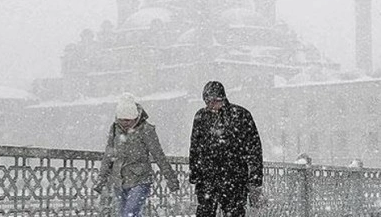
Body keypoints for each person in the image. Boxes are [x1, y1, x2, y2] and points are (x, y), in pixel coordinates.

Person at [95, 93, 179, 217]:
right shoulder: (114, 129)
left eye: (128, 120)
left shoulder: (146, 130)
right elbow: (108, 156)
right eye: (122, 120)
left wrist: (171, 179)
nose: (125, 123)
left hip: (140, 180)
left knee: (129, 213)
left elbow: (158, 155)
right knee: (127, 214)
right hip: (119, 181)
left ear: (135, 117)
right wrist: (101, 179)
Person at [189, 81, 263, 217]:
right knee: (205, 212)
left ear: (223, 98)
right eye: (208, 102)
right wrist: (195, 172)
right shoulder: (201, 117)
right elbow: (195, 147)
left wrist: (255, 177)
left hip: (234, 178)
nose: (211, 105)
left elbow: (254, 148)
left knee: (233, 212)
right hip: (208, 177)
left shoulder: (241, 115)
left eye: (214, 101)